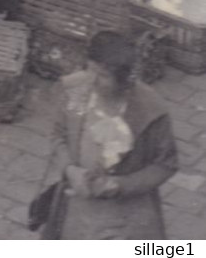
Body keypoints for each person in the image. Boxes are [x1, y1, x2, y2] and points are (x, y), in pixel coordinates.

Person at [37, 31, 177, 240]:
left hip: (126, 218)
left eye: (103, 75)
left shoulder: (151, 110)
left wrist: (119, 186)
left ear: (124, 79)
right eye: (90, 69)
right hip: (77, 211)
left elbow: (166, 164)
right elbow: (58, 135)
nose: (92, 80)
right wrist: (70, 169)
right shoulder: (74, 89)